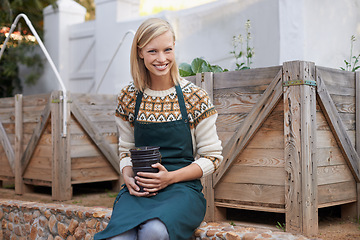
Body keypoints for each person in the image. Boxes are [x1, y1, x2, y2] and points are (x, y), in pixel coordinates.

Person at [94, 17, 223, 240]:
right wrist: (127, 175)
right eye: (153, 51)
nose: (162, 59)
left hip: (183, 190)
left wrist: (170, 178)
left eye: (168, 50)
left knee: (155, 231)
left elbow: (212, 158)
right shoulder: (128, 97)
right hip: (140, 188)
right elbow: (126, 150)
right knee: (119, 238)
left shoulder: (195, 97)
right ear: (140, 52)